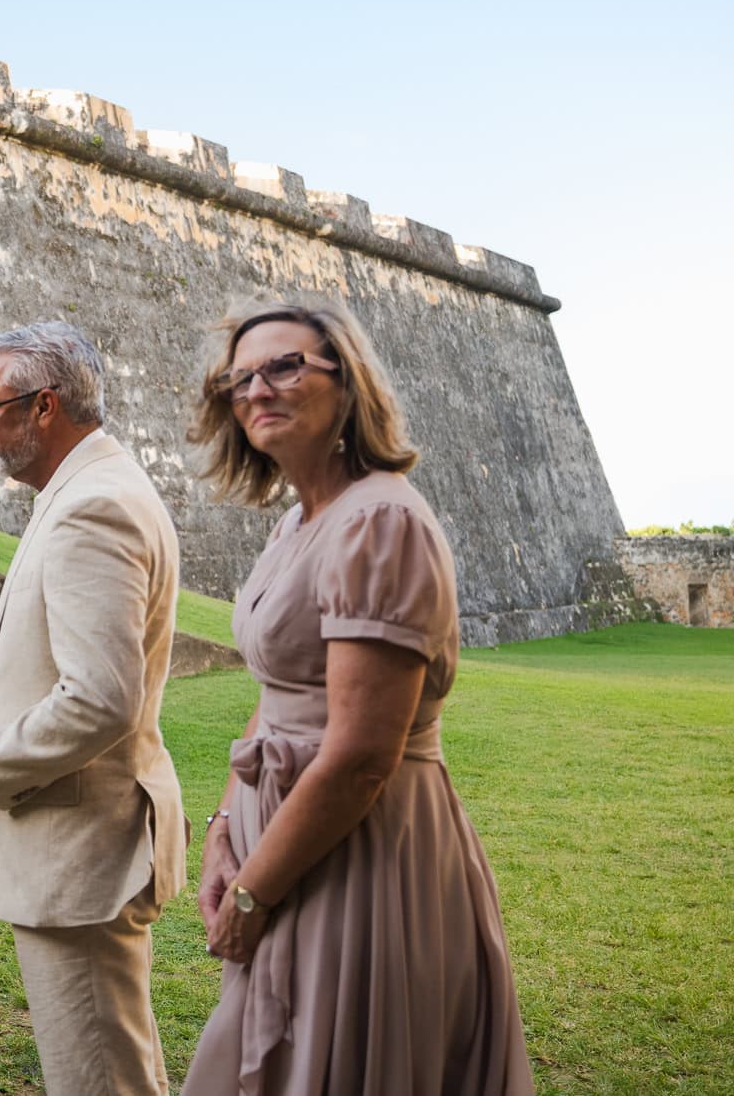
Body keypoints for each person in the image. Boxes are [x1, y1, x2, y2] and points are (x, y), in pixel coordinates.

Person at [180, 303, 534, 1096]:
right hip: (288, 844)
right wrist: (223, 828)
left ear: (347, 382)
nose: (257, 389)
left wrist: (252, 889)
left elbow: (362, 754)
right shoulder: (299, 523)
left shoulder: (380, 520)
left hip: (360, 856)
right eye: (240, 378)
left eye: (284, 366)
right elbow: (278, 697)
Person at [0, 321, 188, 1095]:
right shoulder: (87, 488)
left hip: (82, 854)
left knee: (98, 1078)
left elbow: (100, 696)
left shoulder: (93, 506)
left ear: (43, 406)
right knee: (117, 1066)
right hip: (84, 843)